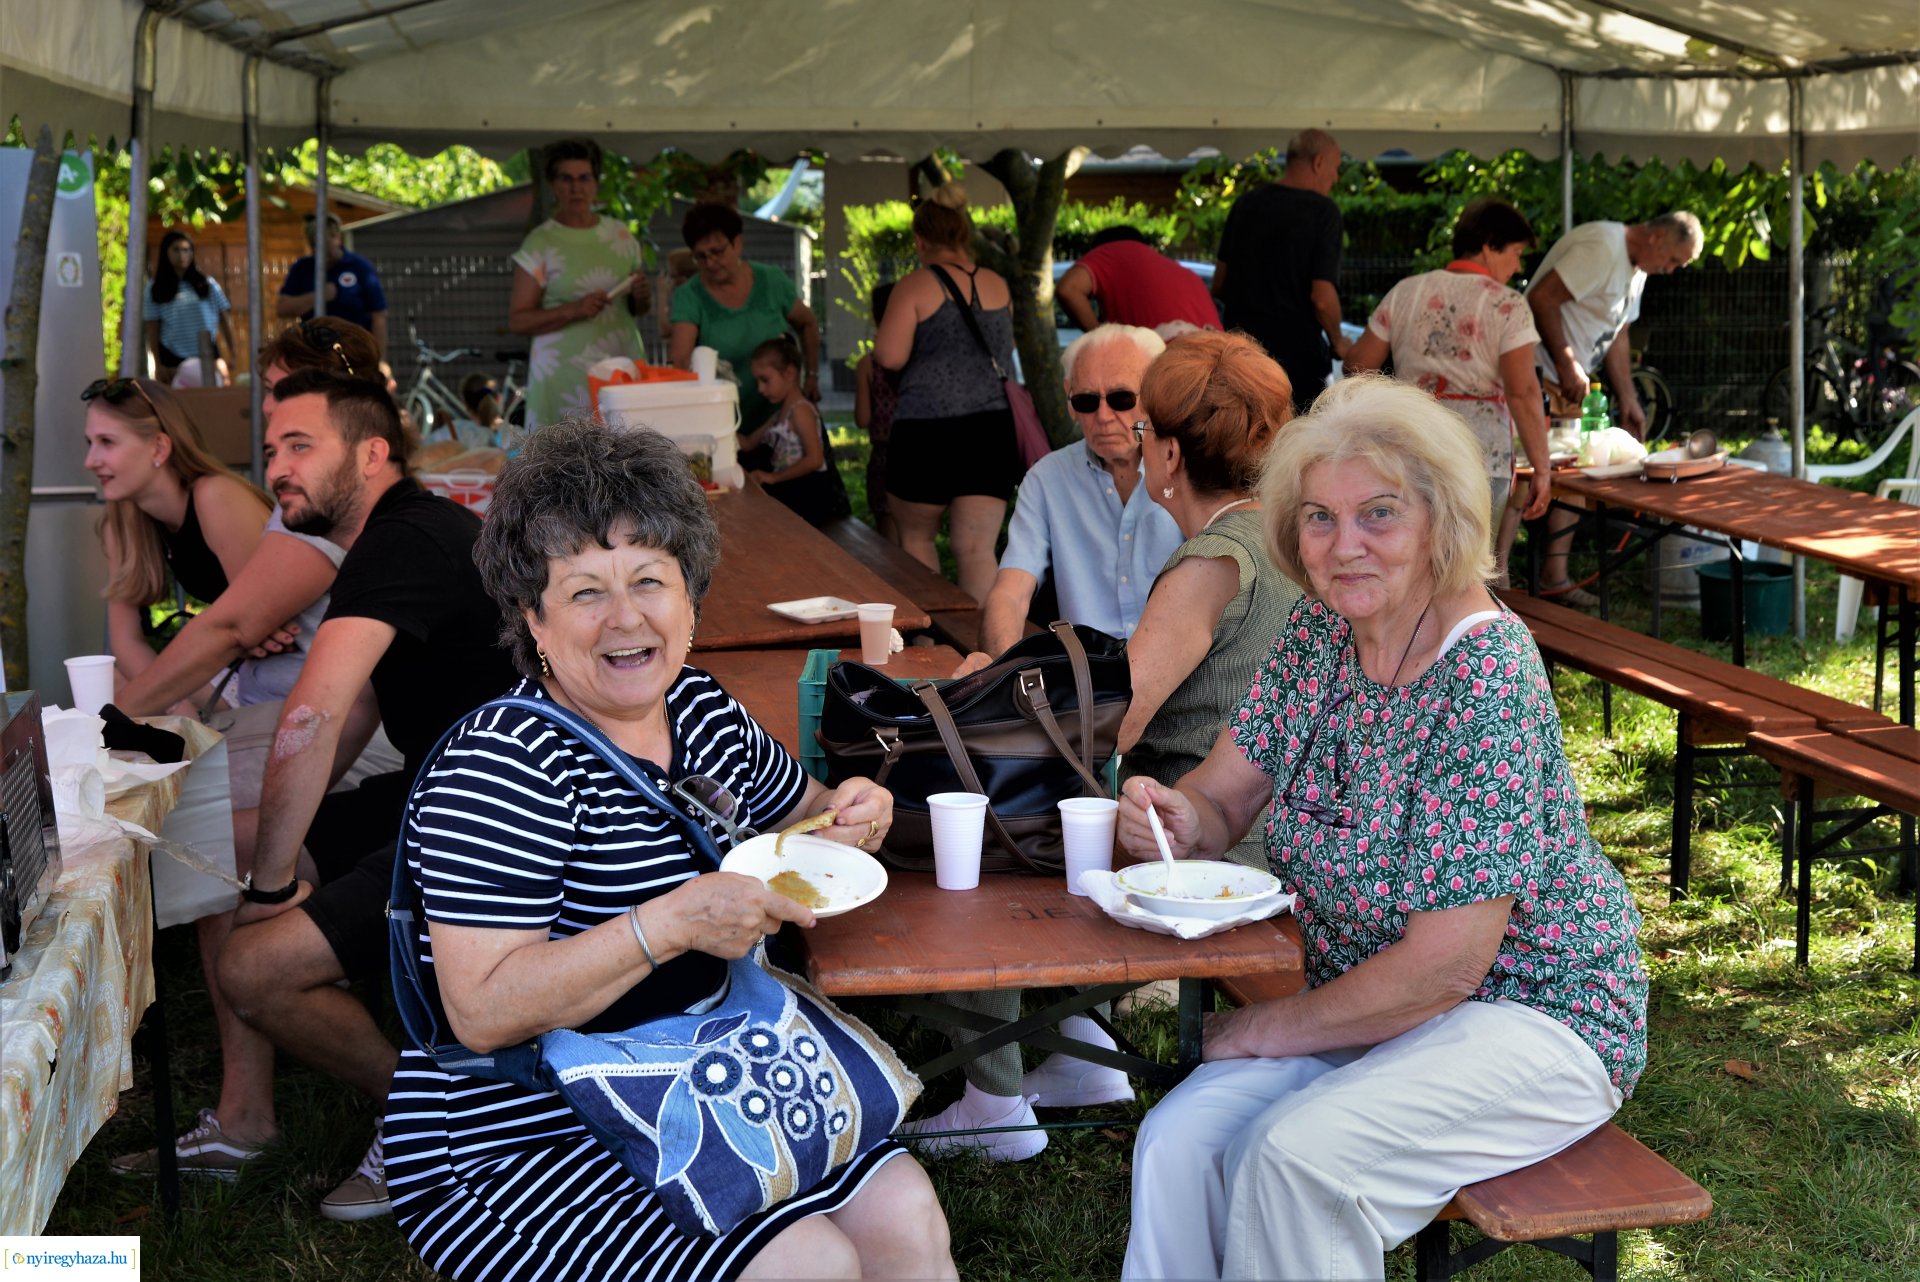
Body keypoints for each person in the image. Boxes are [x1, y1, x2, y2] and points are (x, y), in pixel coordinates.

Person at [385, 418, 956, 1282]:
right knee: (810, 1265)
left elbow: (800, 815)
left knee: (907, 1217)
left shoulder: (699, 708)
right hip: (525, 1121)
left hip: (711, 1066)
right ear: (531, 618)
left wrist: (851, 811)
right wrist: (668, 925)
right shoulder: (502, 766)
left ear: (690, 599)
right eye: (584, 592)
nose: (626, 619)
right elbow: (484, 1011)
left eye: (650, 581)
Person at [1117, 375, 1648, 1281]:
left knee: (1299, 1165)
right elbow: (1224, 801)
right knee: (1178, 1140)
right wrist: (1175, 816)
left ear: (1440, 525)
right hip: (1377, 1002)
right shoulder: (1322, 634)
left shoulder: (1484, 676)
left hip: (1531, 1018)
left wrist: (1261, 1030)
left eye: (1379, 515)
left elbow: (1447, 967)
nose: (1344, 545)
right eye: (1318, 518)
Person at [217, 369, 519, 1221]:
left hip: (497, 825)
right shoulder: (399, 537)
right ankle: (244, 1114)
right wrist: (275, 853)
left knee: (253, 965)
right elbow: (353, 713)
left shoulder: (403, 540)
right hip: (446, 791)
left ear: (373, 453)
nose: (279, 468)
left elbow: (310, 717)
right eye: (272, 450)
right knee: (220, 845)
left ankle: (433, 1118)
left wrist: (272, 890)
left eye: (301, 446)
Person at [105, 320, 402, 1185]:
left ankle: (285, 1105)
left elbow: (237, 622)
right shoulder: (314, 505)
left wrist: (117, 725)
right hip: (354, 732)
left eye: (288, 419)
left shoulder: (348, 516)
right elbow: (233, 625)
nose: (271, 447)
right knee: (198, 828)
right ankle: (248, 1108)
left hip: (395, 758)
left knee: (197, 835)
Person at [1121, 330, 1304, 870]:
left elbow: (1109, 724)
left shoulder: (1210, 564)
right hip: (1276, 841)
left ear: (1171, 453)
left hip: (1196, 850)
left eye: (1143, 429)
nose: (1139, 443)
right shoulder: (1292, 539)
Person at [1344, 197, 1554, 581]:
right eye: (1516, 253)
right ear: (1490, 246)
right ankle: (1469, 640)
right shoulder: (1507, 305)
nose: (1518, 266)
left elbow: (1357, 366)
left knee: (1414, 563)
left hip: (1408, 447)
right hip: (1478, 455)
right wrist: (1542, 468)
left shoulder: (1406, 291)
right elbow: (1522, 391)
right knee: (1468, 570)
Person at [963, 324, 1183, 661]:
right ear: (1069, 400)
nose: (1103, 416)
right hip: (1088, 686)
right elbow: (1010, 594)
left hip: (1182, 677)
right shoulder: (1047, 479)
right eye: (1086, 400)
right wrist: (1001, 675)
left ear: (1157, 394)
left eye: (1122, 398)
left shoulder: (1187, 470)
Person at [1526, 211, 1702, 602]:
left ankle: (1554, 577)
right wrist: (1568, 361)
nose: (1671, 271)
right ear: (1657, 238)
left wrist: (1629, 398)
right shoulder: (1603, 247)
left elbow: (1618, 336)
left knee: (1577, 470)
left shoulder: (1636, 270)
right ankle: (1498, 584)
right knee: (1521, 476)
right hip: (1536, 377)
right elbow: (1542, 298)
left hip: (1569, 385)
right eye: (1674, 260)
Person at [83, 377, 273, 717]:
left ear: (159, 448)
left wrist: (177, 703)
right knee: (109, 681)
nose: (90, 461)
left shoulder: (216, 496)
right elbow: (124, 641)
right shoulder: (124, 521)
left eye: (107, 442)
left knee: (129, 696)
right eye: (90, 443)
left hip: (283, 662)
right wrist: (177, 705)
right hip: (233, 661)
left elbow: (257, 626)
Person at [874, 184, 1021, 604]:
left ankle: (927, 642)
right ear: (964, 234)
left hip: (926, 430)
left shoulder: (916, 285)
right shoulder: (998, 285)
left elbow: (889, 354)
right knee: (977, 550)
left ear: (921, 240)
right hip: (989, 428)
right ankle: (991, 651)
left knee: (917, 541)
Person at [507, 138, 651, 427]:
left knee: (626, 457)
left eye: (584, 178)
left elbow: (638, 309)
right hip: (563, 378)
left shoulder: (620, 235)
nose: (576, 188)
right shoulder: (541, 242)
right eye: (566, 179)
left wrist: (640, 295)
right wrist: (574, 309)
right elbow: (518, 321)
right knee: (565, 464)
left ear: (596, 182)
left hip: (619, 366)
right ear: (553, 184)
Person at [1213, 128, 1352, 412]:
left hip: (1241, 359)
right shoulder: (1323, 212)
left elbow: (1219, 285)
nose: (1336, 178)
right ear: (1319, 163)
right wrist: (1338, 340)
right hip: (1297, 366)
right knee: (1297, 447)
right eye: (1336, 169)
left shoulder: (1245, 205)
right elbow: (1322, 298)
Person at [668, 202, 821, 455]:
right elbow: (681, 358)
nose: (711, 262)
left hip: (782, 422)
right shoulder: (690, 295)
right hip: (726, 426)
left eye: (717, 251)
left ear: (738, 243)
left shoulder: (771, 281)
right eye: (701, 256)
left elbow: (808, 323)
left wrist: (812, 376)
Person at [741, 335, 849, 526]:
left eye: (765, 380)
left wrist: (774, 477)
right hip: (790, 492)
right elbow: (749, 443)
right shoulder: (779, 415)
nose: (760, 389)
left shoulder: (801, 410)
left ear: (790, 374)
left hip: (806, 495)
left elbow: (815, 459)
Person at [1055, 226, 1219, 338]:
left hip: (1171, 371)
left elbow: (1068, 289)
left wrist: (1100, 337)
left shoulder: (1111, 251)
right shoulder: (1188, 274)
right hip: (1221, 368)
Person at [278, 212, 390, 359]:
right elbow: (282, 308)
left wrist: (379, 359)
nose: (325, 256)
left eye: (328, 249)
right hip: (316, 352)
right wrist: (317, 296)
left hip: (355, 351)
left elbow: (379, 315)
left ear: (338, 239)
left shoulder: (359, 267)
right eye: (318, 249)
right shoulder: (302, 268)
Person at [144, 230, 236, 385]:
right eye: (176, 250)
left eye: (186, 250)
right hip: (172, 357)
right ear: (166, 252)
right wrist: (158, 364)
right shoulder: (155, 288)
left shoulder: (208, 284)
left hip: (206, 352)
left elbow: (225, 319)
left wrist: (233, 353)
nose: (182, 255)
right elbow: (153, 328)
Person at [852, 282, 899, 541]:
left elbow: (862, 419)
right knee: (921, 539)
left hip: (884, 459)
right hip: (921, 453)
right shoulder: (922, 361)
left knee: (890, 544)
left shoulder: (868, 365)